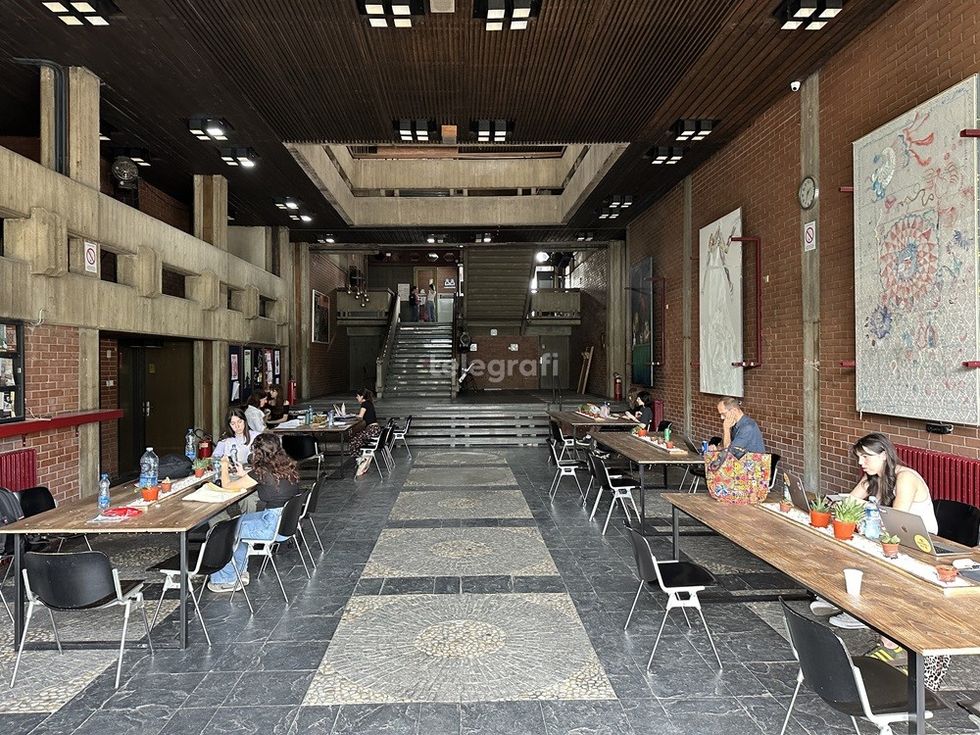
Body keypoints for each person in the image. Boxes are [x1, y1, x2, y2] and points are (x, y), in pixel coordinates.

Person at [811, 432, 950, 689]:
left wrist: (863, 517)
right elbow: (848, 504)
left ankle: (874, 627)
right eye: (859, 457)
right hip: (893, 544)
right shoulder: (873, 478)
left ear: (884, 455)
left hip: (920, 548)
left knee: (869, 567)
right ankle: (876, 630)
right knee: (849, 552)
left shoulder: (906, 477)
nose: (861, 463)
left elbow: (895, 519)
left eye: (866, 457)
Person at [207, 433, 303, 592]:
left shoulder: (261, 472)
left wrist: (224, 466)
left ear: (258, 453)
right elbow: (267, 482)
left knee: (223, 531)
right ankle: (240, 571)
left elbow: (227, 486)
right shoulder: (286, 466)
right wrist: (245, 476)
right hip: (285, 522)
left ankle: (227, 579)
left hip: (271, 526)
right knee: (238, 521)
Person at [348, 388, 382, 476]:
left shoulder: (364, 404)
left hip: (372, 429)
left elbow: (360, 417)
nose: (356, 398)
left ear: (362, 396)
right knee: (357, 437)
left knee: (354, 439)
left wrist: (351, 416)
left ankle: (360, 458)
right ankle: (361, 458)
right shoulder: (369, 403)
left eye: (357, 396)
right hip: (375, 429)